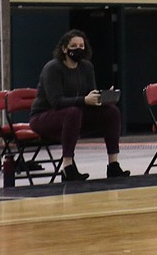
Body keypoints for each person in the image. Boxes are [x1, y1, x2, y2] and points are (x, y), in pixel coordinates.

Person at [29, 29, 129, 182]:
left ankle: (113, 164)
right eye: (74, 45)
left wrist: (101, 97)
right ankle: (68, 167)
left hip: (75, 116)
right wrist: (84, 100)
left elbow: (89, 94)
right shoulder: (53, 68)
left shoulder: (87, 67)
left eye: (81, 46)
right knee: (73, 112)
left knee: (111, 112)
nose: (78, 49)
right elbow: (56, 102)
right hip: (44, 117)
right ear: (64, 49)